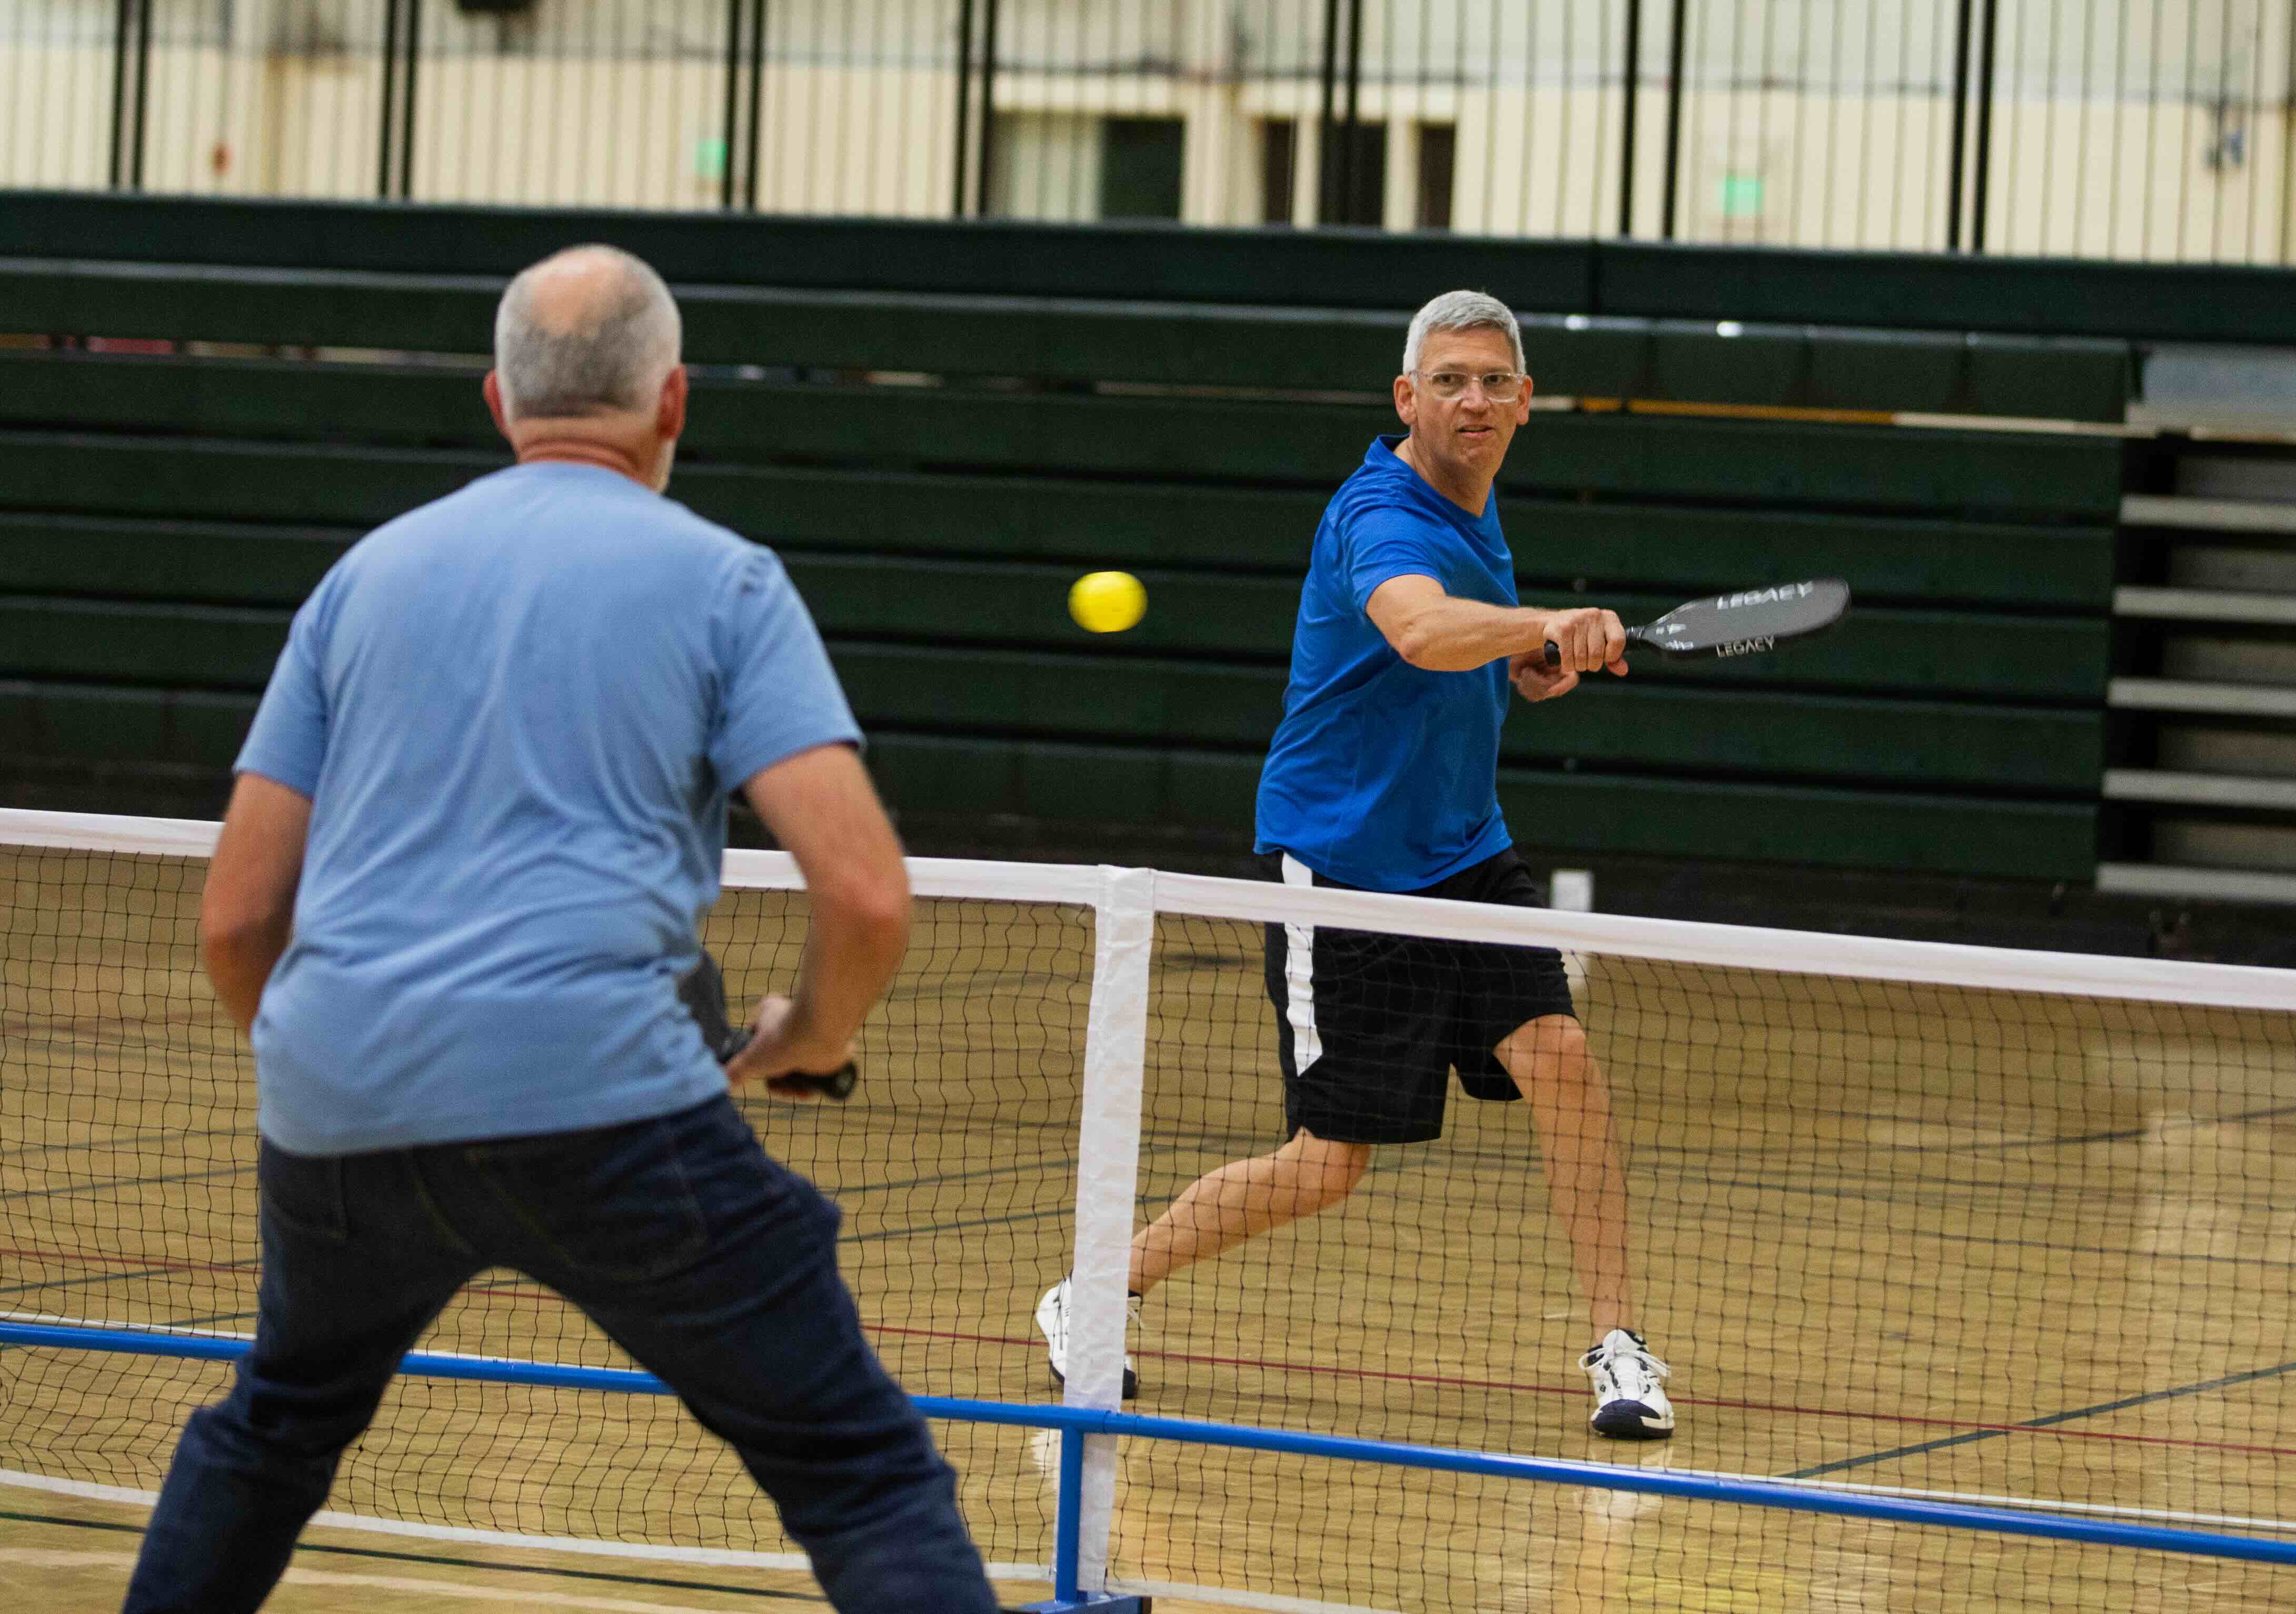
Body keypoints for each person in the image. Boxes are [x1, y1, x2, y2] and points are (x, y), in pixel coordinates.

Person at [123, 247, 1003, 1614]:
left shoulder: (362, 579)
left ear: (497, 401)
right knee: (863, 1474)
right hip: (604, 1106)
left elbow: (238, 915)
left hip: (341, 1098)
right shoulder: (728, 582)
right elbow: (866, 891)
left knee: (277, 1424)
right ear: (673, 403)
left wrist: (334, 1059)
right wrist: (802, 1040)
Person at [1035, 289, 1677, 1441]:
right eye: (1447, 381)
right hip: (1342, 868)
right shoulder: (1382, 513)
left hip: (1465, 849)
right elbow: (1424, 631)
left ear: (1523, 402)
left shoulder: (1478, 505)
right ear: (1406, 398)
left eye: (1491, 381)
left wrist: (1530, 666)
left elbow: (1462, 658)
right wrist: (1540, 627)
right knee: (1329, 1162)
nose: (1470, 399)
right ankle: (1095, 1291)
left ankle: (1619, 1347)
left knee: (1563, 1057)